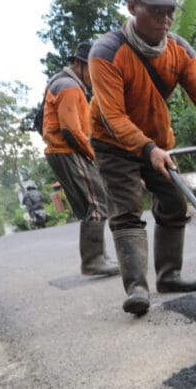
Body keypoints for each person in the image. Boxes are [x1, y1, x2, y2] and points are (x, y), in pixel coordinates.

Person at [88, 0, 196, 316]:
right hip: (112, 141)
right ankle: (136, 286)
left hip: (156, 140)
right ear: (133, 7)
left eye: (170, 12)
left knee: (175, 200)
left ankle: (169, 275)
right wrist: (147, 148)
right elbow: (113, 115)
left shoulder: (180, 51)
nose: (165, 20)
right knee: (127, 207)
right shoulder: (106, 52)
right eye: (156, 11)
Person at [41, 42, 119, 276]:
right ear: (77, 64)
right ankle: (93, 260)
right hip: (68, 150)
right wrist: (92, 154)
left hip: (63, 151)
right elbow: (71, 130)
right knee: (96, 203)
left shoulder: (62, 83)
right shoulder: (69, 87)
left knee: (93, 203)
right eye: (90, 68)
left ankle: (98, 256)